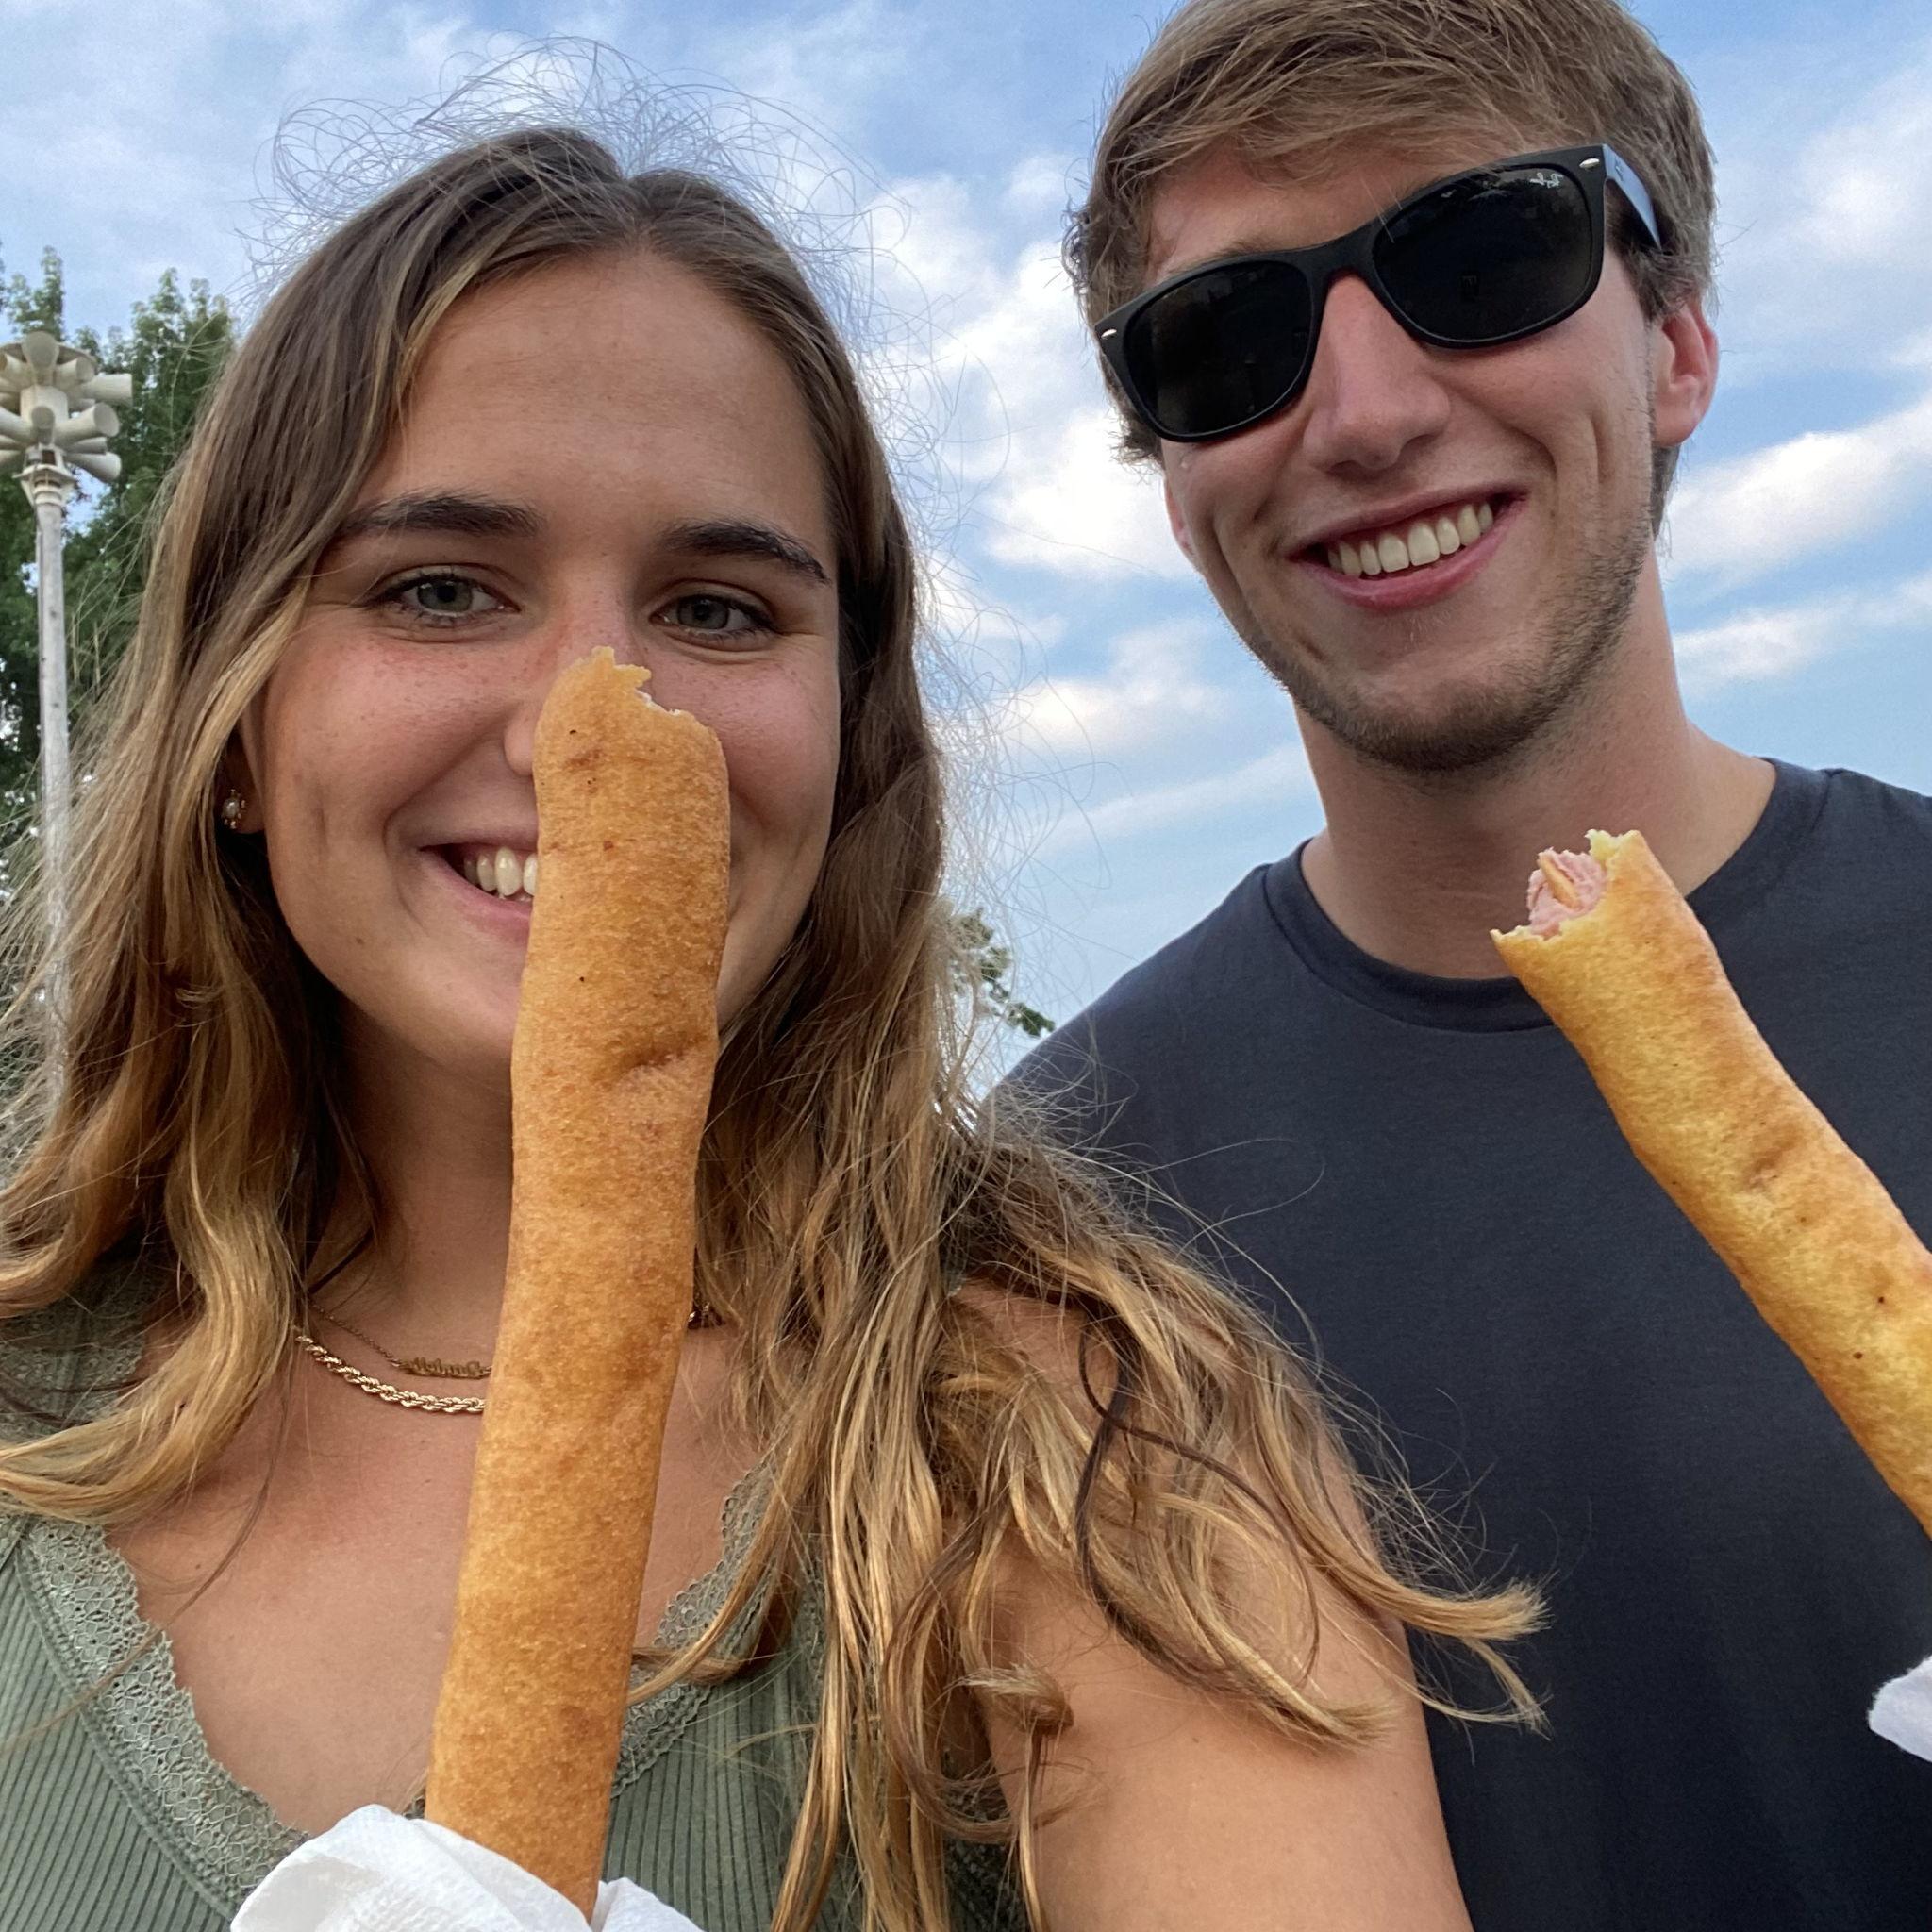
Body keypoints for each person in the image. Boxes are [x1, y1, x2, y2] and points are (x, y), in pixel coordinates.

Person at [0, 114, 1537, 1932]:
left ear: (849, 739)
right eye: (438, 586)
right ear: (240, 721)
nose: (596, 720)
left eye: (719, 607)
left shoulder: (1098, 1465)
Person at [1010, 1, 1932, 1927]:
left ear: (1675, 343)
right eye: (1224, 342)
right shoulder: (1041, 1220)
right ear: (1175, 486)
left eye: (1481, 252)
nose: (1358, 411)